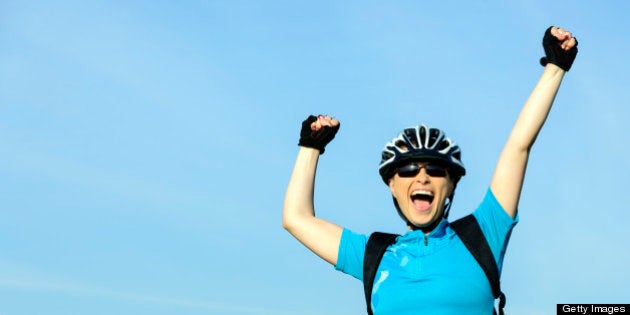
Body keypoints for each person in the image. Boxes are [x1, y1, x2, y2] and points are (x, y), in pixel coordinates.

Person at [282, 26, 578, 314]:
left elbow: (518, 146)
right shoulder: (374, 255)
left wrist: (555, 66)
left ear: (451, 184)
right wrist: (310, 147)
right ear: (392, 185)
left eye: (436, 170)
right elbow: (296, 219)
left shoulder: (484, 235)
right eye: (408, 170)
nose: (422, 177)